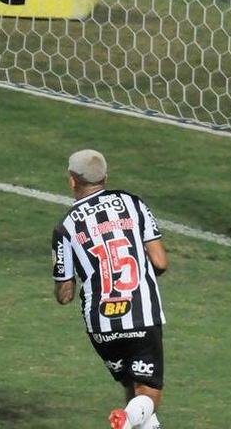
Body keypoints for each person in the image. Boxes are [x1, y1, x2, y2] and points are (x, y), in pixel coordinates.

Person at [51, 150, 169, 429]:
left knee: (133, 387)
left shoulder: (65, 226)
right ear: (105, 176)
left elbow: (64, 295)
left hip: (100, 322)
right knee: (149, 392)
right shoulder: (133, 203)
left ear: (72, 181)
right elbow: (161, 262)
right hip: (141, 315)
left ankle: (129, 418)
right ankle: (125, 420)